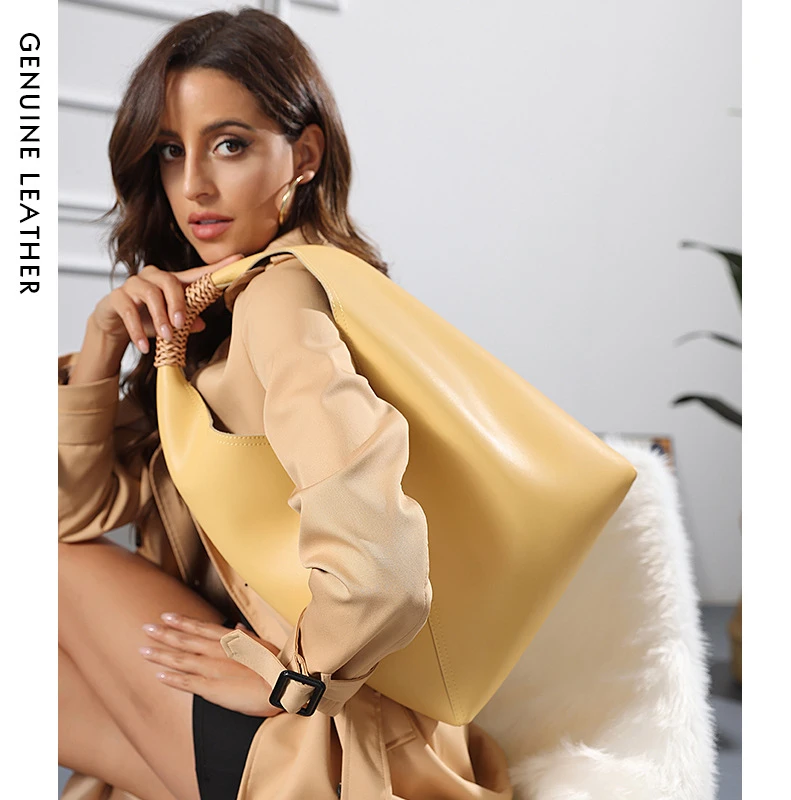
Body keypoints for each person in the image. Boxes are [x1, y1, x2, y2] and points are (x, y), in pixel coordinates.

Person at [58, 9, 515, 800]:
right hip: (286, 724)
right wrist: (101, 348)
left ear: (304, 155)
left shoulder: (279, 298)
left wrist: (295, 680)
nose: (194, 186)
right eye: (171, 151)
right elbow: (77, 510)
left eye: (229, 145)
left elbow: (385, 561)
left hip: (314, 740)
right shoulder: (220, 309)